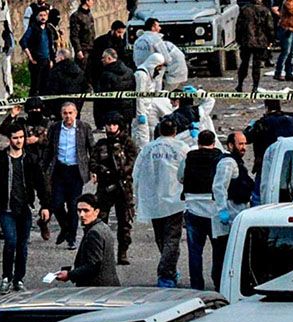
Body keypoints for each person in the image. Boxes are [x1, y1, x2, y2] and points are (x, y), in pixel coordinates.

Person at [0, 124, 49, 293]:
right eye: (15, 138)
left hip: (24, 209)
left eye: (21, 137)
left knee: (22, 245)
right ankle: (6, 277)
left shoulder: (30, 159)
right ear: (9, 139)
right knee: (11, 242)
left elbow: (41, 184)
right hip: (6, 209)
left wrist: (45, 205)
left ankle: (18, 278)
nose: (19, 141)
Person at [133, 119, 189, 288]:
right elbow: (188, 171)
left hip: (154, 201)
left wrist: (139, 195)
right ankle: (166, 272)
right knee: (172, 239)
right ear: (175, 131)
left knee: (162, 238)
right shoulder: (181, 148)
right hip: (174, 200)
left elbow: (137, 173)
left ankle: (168, 269)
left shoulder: (148, 149)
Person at [89, 112, 138, 265]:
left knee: (124, 222)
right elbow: (93, 162)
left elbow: (133, 161)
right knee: (100, 221)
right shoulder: (101, 144)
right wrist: (102, 171)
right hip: (105, 187)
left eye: (114, 124)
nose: (111, 127)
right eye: (108, 125)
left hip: (123, 187)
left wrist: (122, 171)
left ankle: (122, 252)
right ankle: (102, 252)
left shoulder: (127, 143)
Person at [44, 102, 94, 250]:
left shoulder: (84, 128)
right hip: (59, 169)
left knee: (73, 205)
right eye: (65, 113)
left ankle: (71, 238)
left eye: (71, 113)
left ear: (76, 113)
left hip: (76, 171)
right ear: (61, 114)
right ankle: (65, 227)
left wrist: (94, 169)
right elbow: (49, 149)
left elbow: (92, 148)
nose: (68, 116)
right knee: (56, 203)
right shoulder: (55, 128)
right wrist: (44, 168)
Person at [177, 130, 223, 291]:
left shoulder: (190, 158)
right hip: (214, 211)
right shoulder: (221, 158)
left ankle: (197, 286)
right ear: (214, 142)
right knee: (218, 251)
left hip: (193, 209)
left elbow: (180, 177)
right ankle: (218, 282)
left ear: (198, 142)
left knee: (195, 252)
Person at [211, 132, 254, 291]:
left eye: (244, 144)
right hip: (227, 217)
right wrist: (223, 212)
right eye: (240, 144)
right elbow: (219, 187)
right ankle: (220, 288)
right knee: (222, 255)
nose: (243, 147)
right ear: (230, 145)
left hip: (235, 215)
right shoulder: (228, 162)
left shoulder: (237, 163)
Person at [56, 194, 120, 287]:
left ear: (96, 211)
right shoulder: (103, 227)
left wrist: (69, 275)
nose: (81, 214)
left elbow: (93, 266)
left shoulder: (94, 233)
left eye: (86, 210)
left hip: (95, 289)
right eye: (79, 211)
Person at [245, 100, 293, 204]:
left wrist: (250, 126)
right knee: (285, 193)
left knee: (260, 194)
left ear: (266, 108)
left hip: (264, 164)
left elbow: (246, 138)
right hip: (287, 164)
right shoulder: (289, 122)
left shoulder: (261, 123)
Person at [236, 0, 276, 92]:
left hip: (246, 41)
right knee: (257, 65)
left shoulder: (244, 9)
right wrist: (271, 39)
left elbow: (239, 26)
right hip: (260, 41)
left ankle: (240, 85)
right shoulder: (264, 10)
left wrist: (239, 39)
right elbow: (270, 27)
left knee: (244, 64)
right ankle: (255, 87)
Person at [19, 6, 58, 96]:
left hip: (47, 61)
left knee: (46, 85)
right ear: (37, 16)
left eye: (44, 15)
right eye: (40, 15)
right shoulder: (33, 28)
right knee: (35, 85)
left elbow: (51, 45)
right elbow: (23, 42)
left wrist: (51, 59)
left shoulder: (49, 29)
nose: (43, 17)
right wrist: (30, 57)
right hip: (37, 61)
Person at [132, 53, 167, 149]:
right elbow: (139, 96)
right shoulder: (141, 74)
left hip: (149, 108)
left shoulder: (151, 74)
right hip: (141, 111)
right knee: (142, 137)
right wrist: (140, 114)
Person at [94, 48, 135, 131]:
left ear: (109, 58)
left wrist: (99, 120)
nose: (102, 60)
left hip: (112, 112)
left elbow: (101, 97)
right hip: (128, 110)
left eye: (103, 58)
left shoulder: (106, 75)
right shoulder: (130, 72)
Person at [44, 48, 89, 119]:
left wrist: (49, 109)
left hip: (59, 109)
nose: (55, 59)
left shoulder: (55, 72)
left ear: (61, 58)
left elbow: (50, 90)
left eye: (56, 56)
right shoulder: (79, 71)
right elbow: (85, 88)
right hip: (75, 106)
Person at [88, 20, 129, 88]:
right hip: (101, 72)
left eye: (122, 33)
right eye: (118, 32)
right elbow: (94, 59)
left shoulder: (121, 42)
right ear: (113, 30)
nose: (120, 35)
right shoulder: (101, 41)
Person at [69, 0, 96, 70]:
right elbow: (74, 35)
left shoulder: (89, 14)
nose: (92, 2)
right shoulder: (76, 16)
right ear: (87, 1)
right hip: (83, 49)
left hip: (91, 48)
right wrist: (78, 50)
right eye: (91, 0)